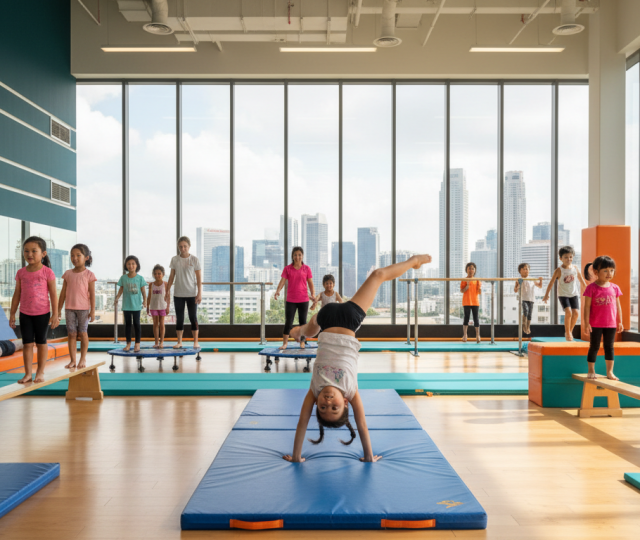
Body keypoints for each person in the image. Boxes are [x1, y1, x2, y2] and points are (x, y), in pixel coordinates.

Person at [282, 254, 432, 464]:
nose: (327, 403)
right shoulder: (350, 391)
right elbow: (361, 423)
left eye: (323, 408)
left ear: (317, 403)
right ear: (345, 403)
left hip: (326, 318)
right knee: (378, 275)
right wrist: (369, 456)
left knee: (307, 330)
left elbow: (302, 422)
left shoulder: (314, 391)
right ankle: (413, 262)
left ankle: (298, 332)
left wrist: (297, 457)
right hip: (350, 320)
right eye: (334, 407)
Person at [9, 237, 59, 383]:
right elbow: (17, 294)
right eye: (26, 251)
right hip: (25, 313)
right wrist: (12, 313)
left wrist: (55, 314)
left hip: (42, 313)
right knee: (27, 343)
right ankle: (28, 373)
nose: (29, 254)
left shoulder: (47, 272)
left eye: (34, 251)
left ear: (43, 253)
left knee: (41, 342)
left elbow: (53, 294)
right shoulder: (21, 273)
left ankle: (40, 372)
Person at [583, 256, 624, 381]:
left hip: (611, 324)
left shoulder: (615, 288)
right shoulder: (591, 288)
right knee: (594, 346)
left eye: (611, 270)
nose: (609, 273)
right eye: (605, 270)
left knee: (609, 347)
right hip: (595, 323)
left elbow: (618, 306)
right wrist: (586, 323)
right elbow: (587, 307)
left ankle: (610, 372)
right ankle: (591, 369)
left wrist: (620, 321)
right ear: (596, 272)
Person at [58, 244, 97, 369]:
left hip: (84, 309)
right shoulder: (68, 274)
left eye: (78, 255)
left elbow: (92, 294)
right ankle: (73, 360)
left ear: (86, 257)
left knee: (83, 333)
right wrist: (58, 310)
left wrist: (92, 311)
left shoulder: (89, 274)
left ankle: (83, 359)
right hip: (69, 308)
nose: (74, 258)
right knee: (71, 334)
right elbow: (63, 293)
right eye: (72, 256)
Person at [274, 247, 315, 350]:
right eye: (295, 255)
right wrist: (278, 291)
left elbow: (310, 283)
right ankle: (285, 343)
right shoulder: (287, 268)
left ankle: (302, 341)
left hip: (303, 299)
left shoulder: (306, 268)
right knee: (289, 322)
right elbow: (282, 281)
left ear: (302, 256)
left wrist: (313, 294)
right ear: (292, 256)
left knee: (303, 322)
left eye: (299, 255)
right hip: (291, 300)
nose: (297, 257)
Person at [543, 246, 587, 341]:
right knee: (568, 312)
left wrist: (588, 290)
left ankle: (569, 331)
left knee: (576, 313)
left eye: (570, 257)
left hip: (574, 294)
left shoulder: (575, 268)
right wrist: (546, 295)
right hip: (563, 294)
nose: (569, 259)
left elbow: (581, 280)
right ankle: (567, 332)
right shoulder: (559, 270)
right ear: (561, 258)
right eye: (566, 257)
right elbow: (551, 282)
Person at [167, 237, 202, 350]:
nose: (183, 248)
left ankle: (195, 342)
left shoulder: (194, 260)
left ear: (189, 246)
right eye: (181, 246)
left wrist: (199, 293)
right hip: (178, 294)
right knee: (179, 318)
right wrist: (167, 290)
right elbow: (171, 277)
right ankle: (179, 342)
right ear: (178, 247)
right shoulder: (174, 260)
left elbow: (198, 279)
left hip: (191, 293)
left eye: (185, 246)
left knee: (193, 317)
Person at [114, 256, 147, 353]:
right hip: (126, 305)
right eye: (129, 264)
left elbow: (143, 291)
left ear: (137, 265)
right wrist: (117, 298)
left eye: (133, 264)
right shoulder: (123, 278)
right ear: (126, 265)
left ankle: (137, 343)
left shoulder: (140, 278)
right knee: (128, 325)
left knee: (137, 324)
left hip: (136, 306)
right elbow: (121, 289)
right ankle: (128, 343)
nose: (131, 266)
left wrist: (145, 300)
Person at [514, 263, 543, 335]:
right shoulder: (519, 280)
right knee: (525, 311)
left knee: (530, 314)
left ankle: (528, 327)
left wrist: (541, 280)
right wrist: (517, 286)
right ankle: (524, 325)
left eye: (527, 269)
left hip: (531, 299)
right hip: (523, 299)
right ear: (520, 271)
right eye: (523, 269)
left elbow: (539, 286)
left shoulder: (532, 279)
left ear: (529, 270)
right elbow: (515, 290)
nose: (525, 270)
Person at [147, 264, 170, 349]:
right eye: (155, 273)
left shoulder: (165, 284)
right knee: (155, 324)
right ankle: (156, 342)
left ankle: (162, 342)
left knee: (162, 324)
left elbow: (168, 296)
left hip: (163, 306)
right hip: (153, 306)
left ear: (163, 274)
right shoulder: (151, 285)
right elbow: (149, 296)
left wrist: (168, 306)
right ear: (153, 274)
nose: (157, 275)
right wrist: (147, 307)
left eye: (159, 273)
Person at [461, 262, 482, 343]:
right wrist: (467, 286)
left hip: (475, 302)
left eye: (472, 268)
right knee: (466, 317)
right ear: (466, 270)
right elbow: (462, 290)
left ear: (474, 270)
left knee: (476, 318)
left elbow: (479, 292)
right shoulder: (464, 280)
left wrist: (480, 289)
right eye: (469, 268)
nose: (471, 270)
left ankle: (477, 335)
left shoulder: (477, 280)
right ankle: (465, 335)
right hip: (466, 301)